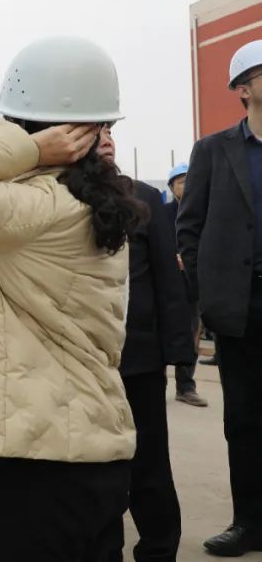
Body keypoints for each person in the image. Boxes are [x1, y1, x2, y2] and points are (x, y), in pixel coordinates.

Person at [0, 37, 144, 560]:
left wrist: (32, 147)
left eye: (12, 124)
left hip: (35, 456)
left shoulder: (43, 205)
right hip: (83, 442)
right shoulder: (89, 202)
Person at [178, 38, 262, 557]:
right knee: (245, 420)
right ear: (242, 89)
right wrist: (208, 295)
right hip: (241, 305)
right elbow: (189, 229)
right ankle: (249, 523)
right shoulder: (213, 150)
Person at [99, 127, 194, 561]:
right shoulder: (57, 197)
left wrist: (177, 352)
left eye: (109, 131)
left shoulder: (144, 197)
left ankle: (158, 549)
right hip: (84, 362)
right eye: (94, 131)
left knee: (150, 463)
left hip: (139, 358)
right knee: (97, 466)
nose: (105, 139)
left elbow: (167, 280)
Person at [165, 163, 211, 398]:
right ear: (171, 187)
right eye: (181, 181)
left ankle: (186, 386)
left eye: (189, 180)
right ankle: (157, 384)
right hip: (167, 282)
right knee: (163, 331)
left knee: (191, 332)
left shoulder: (204, 213)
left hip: (192, 282)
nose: (186, 185)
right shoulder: (162, 212)